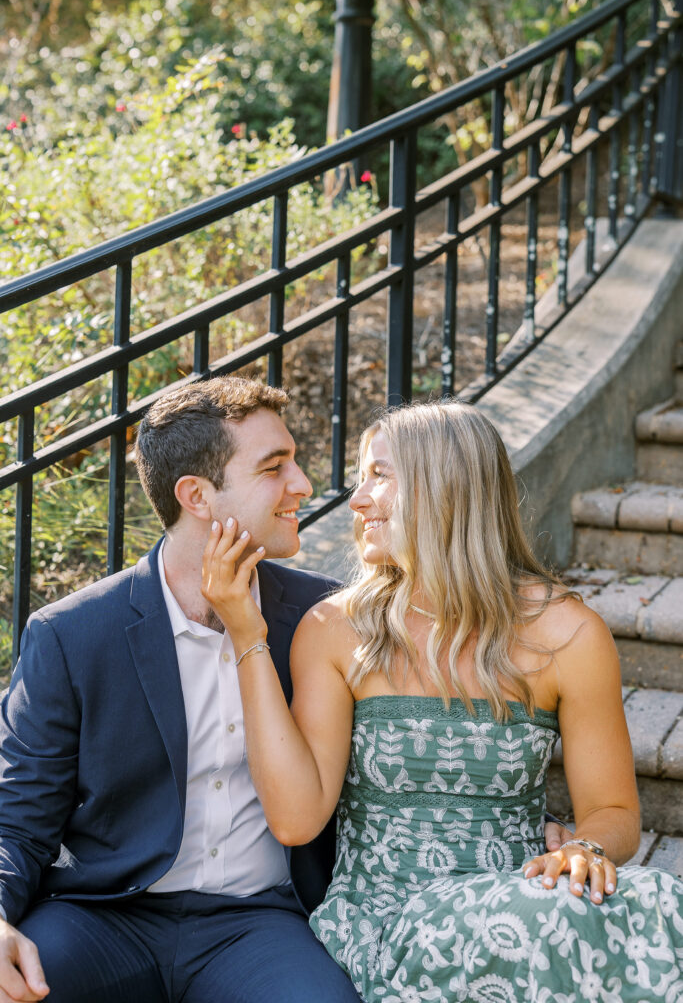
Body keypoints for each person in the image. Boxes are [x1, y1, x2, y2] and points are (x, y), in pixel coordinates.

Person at [202, 399, 683, 1003]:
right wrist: (248, 632)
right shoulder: (336, 629)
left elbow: (614, 811)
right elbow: (296, 820)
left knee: (661, 901)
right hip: (388, 917)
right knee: (550, 930)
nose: (356, 500)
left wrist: (586, 849)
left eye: (378, 475)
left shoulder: (569, 635)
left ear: (445, 488)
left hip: (524, 896)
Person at [0, 377, 364, 1003]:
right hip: (104, 915)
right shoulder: (71, 635)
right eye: (275, 468)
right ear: (196, 495)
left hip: (261, 923)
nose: (303, 485)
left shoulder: (324, 618)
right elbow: (17, 817)